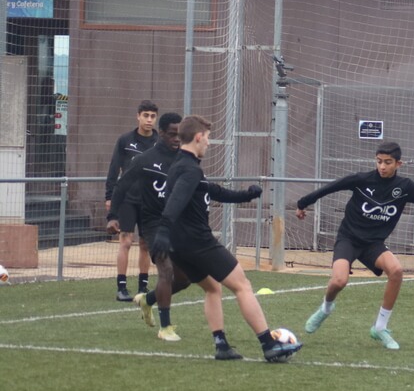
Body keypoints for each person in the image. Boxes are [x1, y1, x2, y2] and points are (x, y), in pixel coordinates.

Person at [296, 141, 414, 351]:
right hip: (349, 238)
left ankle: (380, 327)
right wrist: (303, 203)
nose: (382, 166)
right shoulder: (362, 180)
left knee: (397, 271)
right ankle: (326, 308)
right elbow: (330, 187)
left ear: (398, 164)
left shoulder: (404, 188)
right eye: (379, 161)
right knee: (339, 281)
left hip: (373, 243)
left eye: (388, 162)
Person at [152, 115, 300, 362]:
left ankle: (221, 345)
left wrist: (246, 196)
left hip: (179, 246)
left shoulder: (181, 165)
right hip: (198, 242)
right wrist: (163, 229)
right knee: (243, 286)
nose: (209, 143)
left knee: (212, 288)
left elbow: (214, 191)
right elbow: (176, 200)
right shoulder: (189, 170)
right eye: (208, 138)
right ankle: (268, 344)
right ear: (198, 137)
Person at [107, 112, 190, 342]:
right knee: (166, 270)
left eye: (179, 135)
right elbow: (121, 186)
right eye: (172, 134)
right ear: (161, 133)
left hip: (178, 225)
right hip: (153, 224)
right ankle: (165, 327)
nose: (176, 139)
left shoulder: (185, 159)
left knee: (183, 280)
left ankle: (148, 299)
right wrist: (112, 216)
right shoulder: (145, 160)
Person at [105, 100, 159, 302]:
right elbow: (114, 169)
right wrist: (109, 197)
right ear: (138, 116)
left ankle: (143, 288)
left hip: (150, 201)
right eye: (146, 115)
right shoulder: (125, 140)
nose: (149, 120)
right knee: (126, 241)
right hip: (127, 199)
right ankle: (121, 288)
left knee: (145, 244)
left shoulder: (159, 143)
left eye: (153, 116)